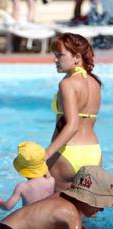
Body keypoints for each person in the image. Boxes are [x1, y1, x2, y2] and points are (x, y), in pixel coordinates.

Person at [46, 32, 102, 192]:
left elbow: (72, 125)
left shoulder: (68, 84)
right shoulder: (95, 83)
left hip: (67, 153)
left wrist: (46, 154)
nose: (55, 60)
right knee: (85, 214)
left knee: (56, 211)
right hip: (93, 152)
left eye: (60, 55)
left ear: (77, 57)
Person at [0, 142, 55, 210]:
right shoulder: (51, 181)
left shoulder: (22, 187)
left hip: (29, 218)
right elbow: (46, 170)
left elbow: (8, 206)